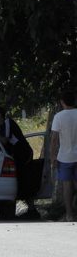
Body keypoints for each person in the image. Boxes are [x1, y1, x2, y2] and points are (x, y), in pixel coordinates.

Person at [0, 106, 39, 219]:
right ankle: (10, 211)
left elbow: (4, 140)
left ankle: (31, 210)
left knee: (23, 181)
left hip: (23, 155)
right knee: (16, 182)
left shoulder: (8, 122)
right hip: (14, 156)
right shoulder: (0, 126)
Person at [50, 91, 77, 221]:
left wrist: (53, 157)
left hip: (64, 157)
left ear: (62, 102)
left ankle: (69, 214)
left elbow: (54, 139)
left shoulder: (58, 117)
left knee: (67, 186)